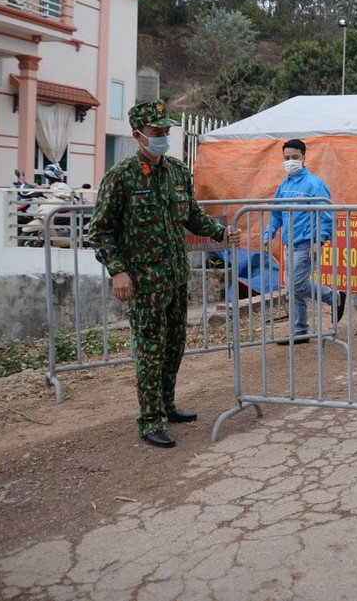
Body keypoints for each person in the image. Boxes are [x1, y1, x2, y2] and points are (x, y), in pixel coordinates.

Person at [89, 99, 242, 449]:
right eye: (158, 132)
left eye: (166, 132)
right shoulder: (121, 175)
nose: (164, 137)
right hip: (143, 281)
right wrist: (118, 271)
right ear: (138, 135)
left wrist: (220, 233)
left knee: (174, 346)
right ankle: (150, 419)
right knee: (150, 350)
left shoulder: (175, 170)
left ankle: (167, 405)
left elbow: (191, 215)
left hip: (174, 277)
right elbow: (99, 231)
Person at [263, 139, 346, 342]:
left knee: (296, 286)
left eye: (294, 158)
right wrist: (268, 234)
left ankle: (334, 296)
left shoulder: (314, 184)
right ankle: (300, 331)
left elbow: (325, 214)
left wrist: (319, 240)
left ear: (303, 158)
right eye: (286, 158)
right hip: (288, 244)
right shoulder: (284, 185)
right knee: (294, 291)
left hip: (306, 244)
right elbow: (276, 213)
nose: (290, 161)